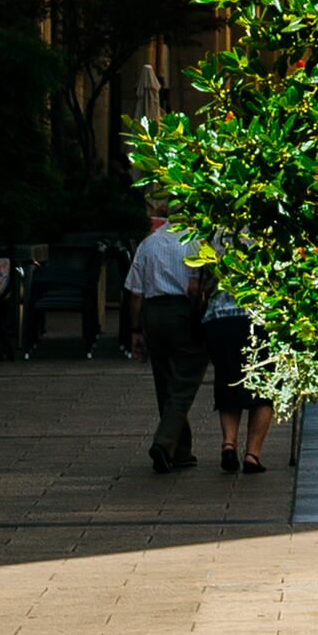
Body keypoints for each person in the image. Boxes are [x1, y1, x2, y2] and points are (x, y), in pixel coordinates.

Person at [125, 201, 207, 471]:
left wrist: (136, 330)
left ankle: (180, 451)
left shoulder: (149, 244)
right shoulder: (197, 242)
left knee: (165, 380)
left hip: (153, 312)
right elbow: (199, 287)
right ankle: (163, 442)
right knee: (185, 381)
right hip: (183, 312)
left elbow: (135, 292)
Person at [200, 271, 270, 477]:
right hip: (259, 317)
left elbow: (196, 283)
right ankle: (252, 455)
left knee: (227, 380)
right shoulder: (269, 240)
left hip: (219, 318)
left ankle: (229, 443)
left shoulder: (211, 239)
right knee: (263, 386)